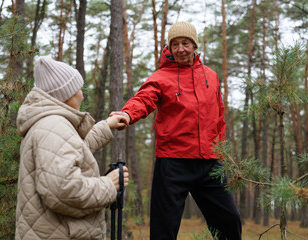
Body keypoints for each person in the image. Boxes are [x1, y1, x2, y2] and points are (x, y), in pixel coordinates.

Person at [111, 21, 242, 239]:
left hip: (209, 162)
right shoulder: (160, 78)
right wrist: (127, 114)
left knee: (230, 221)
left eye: (186, 43)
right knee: (164, 229)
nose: (180, 49)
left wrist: (221, 150)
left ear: (195, 45)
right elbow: (143, 100)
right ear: (170, 49)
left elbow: (219, 115)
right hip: (173, 163)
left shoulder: (211, 76)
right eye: (175, 45)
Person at [15, 56, 129, 240]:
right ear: (66, 94)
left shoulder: (49, 124)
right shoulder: (54, 127)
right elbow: (64, 190)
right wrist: (109, 185)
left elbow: (72, 149)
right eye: (79, 89)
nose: (82, 95)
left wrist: (106, 126)